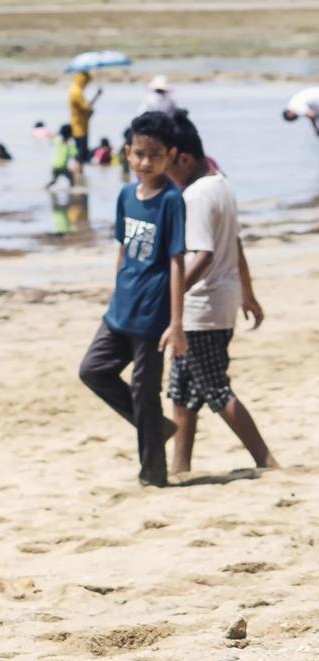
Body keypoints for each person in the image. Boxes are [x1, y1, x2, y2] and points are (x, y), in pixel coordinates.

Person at [78, 112, 187, 487]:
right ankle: (157, 428)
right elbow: (123, 250)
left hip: (153, 315)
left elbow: (176, 262)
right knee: (93, 370)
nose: (145, 162)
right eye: (139, 153)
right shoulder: (126, 195)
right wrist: (115, 292)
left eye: (154, 155)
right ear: (127, 152)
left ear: (169, 155)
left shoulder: (171, 200)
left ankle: (153, 476)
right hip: (121, 309)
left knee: (145, 392)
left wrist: (176, 324)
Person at [165, 113, 277, 475]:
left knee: (214, 388)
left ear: (182, 158)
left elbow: (203, 256)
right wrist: (249, 292)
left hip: (202, 309)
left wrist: (169, 301)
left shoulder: (195, 195)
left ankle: (265, 460)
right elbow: (235, 243)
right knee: (181, 391)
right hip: (222, 299)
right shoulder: (220, 183)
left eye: (164, 163)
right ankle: (180, 467)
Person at [68, 71, 102, 163]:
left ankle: (81, 175)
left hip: (82, 125)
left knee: (83, 154)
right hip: (79, 127)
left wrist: (96, 96)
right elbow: (87, 108)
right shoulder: (77, 92)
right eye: (87, 82)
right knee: (81, 155)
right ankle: (79, 175)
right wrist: (91, 111)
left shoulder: (77, 90)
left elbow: (86, 107)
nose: (87, 84)